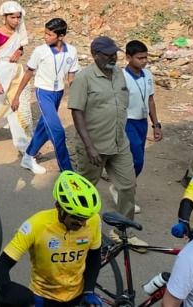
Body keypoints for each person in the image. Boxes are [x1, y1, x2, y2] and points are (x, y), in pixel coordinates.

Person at [0, 171, 103, 307]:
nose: (82, 224)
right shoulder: (36, 225)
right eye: (76, 218)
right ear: (59, 207)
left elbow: (94, 256)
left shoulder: (94, 220)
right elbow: (1, 267)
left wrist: (89, 291)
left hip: (77, 295)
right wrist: (9, 298)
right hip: (43, 298)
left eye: (85, 219)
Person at [69, 35, 140, 242]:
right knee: (85, 191)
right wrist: (89, 146)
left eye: (115, 54)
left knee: (128, 186)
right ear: (95, 55)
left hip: (119, 143)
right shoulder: (84, 78)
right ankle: (75, 228)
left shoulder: (118, 73)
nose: (113, 58)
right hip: (94, 146)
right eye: (108, 55)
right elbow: (77, 112)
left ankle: (122, 232)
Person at [13, 17, 79, 175]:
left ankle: (28, 157)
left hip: (58, 94)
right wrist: (17, 95)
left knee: (44, 127)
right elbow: (29, 72)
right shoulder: (40, 51)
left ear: (61, 36)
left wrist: (77, 96)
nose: (46, 37)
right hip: (43, 93)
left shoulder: (72, 51)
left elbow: (71, 76)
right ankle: (67, 171)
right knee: (57, 132)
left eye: (50, 35)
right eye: (45, 33)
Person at [0, 1, 31, 153]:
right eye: (12, 17)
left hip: (15, 72)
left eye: (18, 17)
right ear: (4, 17)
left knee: (17, 104)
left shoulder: (18, 32)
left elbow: (19, 47)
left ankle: (23, 143)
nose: (16, 21)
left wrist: (20, 52)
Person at [123, 40, 160, 178]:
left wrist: (156, 125)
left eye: (145, 57)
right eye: (140, 58)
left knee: (139, 158)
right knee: (136, 159)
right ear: (128, 57)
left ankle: (125, 186)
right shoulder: (122, 77)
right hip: (128, 121)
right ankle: (124, 186)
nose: (144, 61)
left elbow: (150, 100)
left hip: (142, 122)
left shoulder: (148, 75)